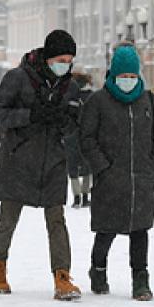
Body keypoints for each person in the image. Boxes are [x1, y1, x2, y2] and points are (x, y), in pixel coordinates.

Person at [0, 29, 82, 301]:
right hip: (18, 158)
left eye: (69, 60)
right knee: (8, 218)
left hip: (52, 161)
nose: (66, 64)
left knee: (56, 220)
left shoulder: (70, 87)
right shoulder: (18, 78)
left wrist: (66, 119)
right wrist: (31, 115)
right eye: (61, 59)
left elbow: (74, 124)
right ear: (48, 57)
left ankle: (62, 276)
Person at [79, 45, 154, 302]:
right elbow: (87, 139)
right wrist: (102, 167)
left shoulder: (148, 100)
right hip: (110, 179)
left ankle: (141, 281)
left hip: (141, 179)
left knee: (140, 232)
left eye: (132, 77)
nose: (128, 82)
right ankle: (98, 270)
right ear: (114, 75)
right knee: (106, 231)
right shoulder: (98, 101)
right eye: (123, 77)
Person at [65, 72, 93, 209]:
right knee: (88, 167)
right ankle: (85, 196)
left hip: (71, 135)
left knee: (72, 167)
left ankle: (77, 198)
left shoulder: (69, 96)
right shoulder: (92, 97)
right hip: (87, 135)